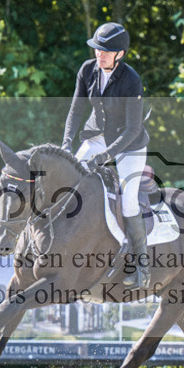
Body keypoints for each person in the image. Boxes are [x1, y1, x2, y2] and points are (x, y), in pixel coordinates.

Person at [62, 22, 150, 289]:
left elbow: (133, 129)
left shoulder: (131, 80)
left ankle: (142, 267)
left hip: (129, 144)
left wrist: (105, 156)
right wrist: (66, 143)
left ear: (120, 54)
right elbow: (76, 109)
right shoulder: (87, 70)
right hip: (96, 137)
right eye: (97, 49)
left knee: (129, 202)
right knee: (68, 183)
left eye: (105, 51)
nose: (98, 54)